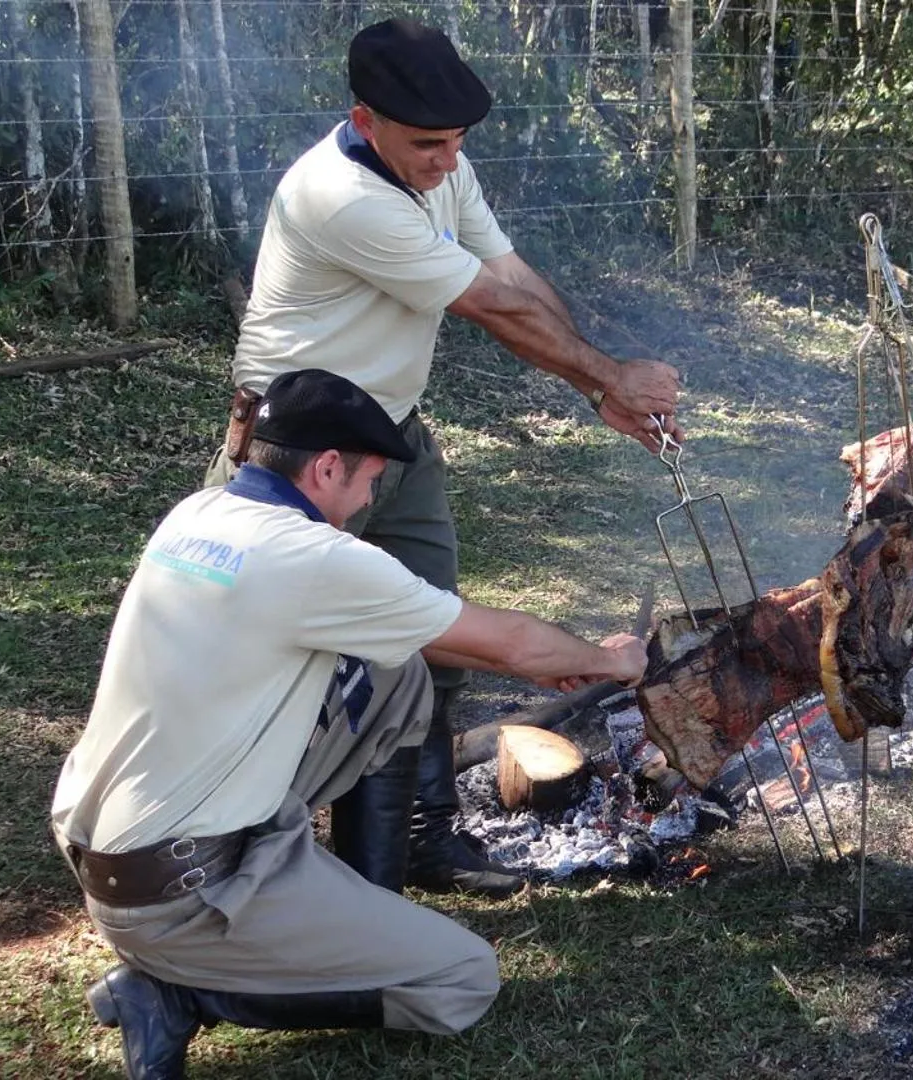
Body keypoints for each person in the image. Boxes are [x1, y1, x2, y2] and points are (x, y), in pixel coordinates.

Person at [206, 16, 684, 899]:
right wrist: (609, 375)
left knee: (434, 640)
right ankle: (228, 862)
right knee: (274, 665)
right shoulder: (342, 197)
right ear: (365, 119)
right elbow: (491, 310)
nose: (448, 160)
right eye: (429, 142)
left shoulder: (439, 166)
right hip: (294, 457)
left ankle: (419, 842)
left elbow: (510, 276)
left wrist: (598, 387)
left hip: (393, 439)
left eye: (459, 140)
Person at [54, 369, 647, 1079]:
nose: (370, 499)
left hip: (109, 846)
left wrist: (538, 670)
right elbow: (512, 639)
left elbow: (430, 637)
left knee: (394, 673)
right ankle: (178, 994)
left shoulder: (201, 514)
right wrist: (609, 660)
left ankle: (360, 906)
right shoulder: (314, 558)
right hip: (184, 893)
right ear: (328, 466)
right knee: (461, 979)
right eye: (368, 480)